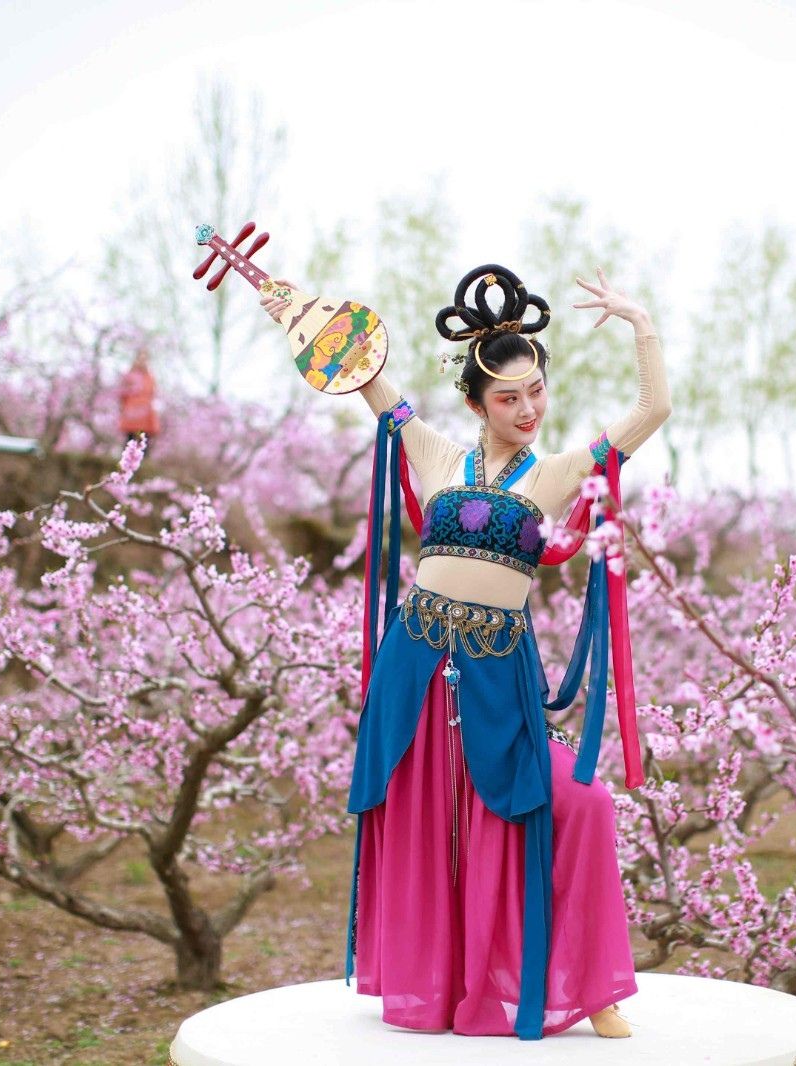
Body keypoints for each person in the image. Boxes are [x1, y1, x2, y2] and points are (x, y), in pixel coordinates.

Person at [259, 264, 671, 1040]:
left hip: (494, 676)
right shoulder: (437, 456)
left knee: (579, 804)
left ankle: (588, 986)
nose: (529, 409)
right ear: (478, 404)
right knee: (431, 832)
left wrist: (640, 324)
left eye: (536, 391)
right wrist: (297, 312)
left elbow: (654, 409)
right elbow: (363, 373)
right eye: (509, 398)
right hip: (416, 669)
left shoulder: (558, 473)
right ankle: (441, 984)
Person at [118, 347, 160, 449]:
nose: (142, 361)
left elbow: (152, 394)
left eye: (145, 359)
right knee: (130, 441)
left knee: (144, 442)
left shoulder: (150, 377)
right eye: (140, 358)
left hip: (146, 414)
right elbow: (122, 394)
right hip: (132, 412)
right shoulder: (129, 376)